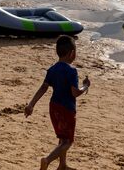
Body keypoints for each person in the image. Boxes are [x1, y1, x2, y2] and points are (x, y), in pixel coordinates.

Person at [24, 36, 90, 170]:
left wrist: (31, 104)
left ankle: (62, 165)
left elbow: (43, 88)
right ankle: (47, 160)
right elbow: (75, 93)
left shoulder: (52, 69)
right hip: (67, 109)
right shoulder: (71, 71)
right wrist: (85, 86)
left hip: (54, 107)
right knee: (68, 141)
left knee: (62, 136)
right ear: (72, 53)